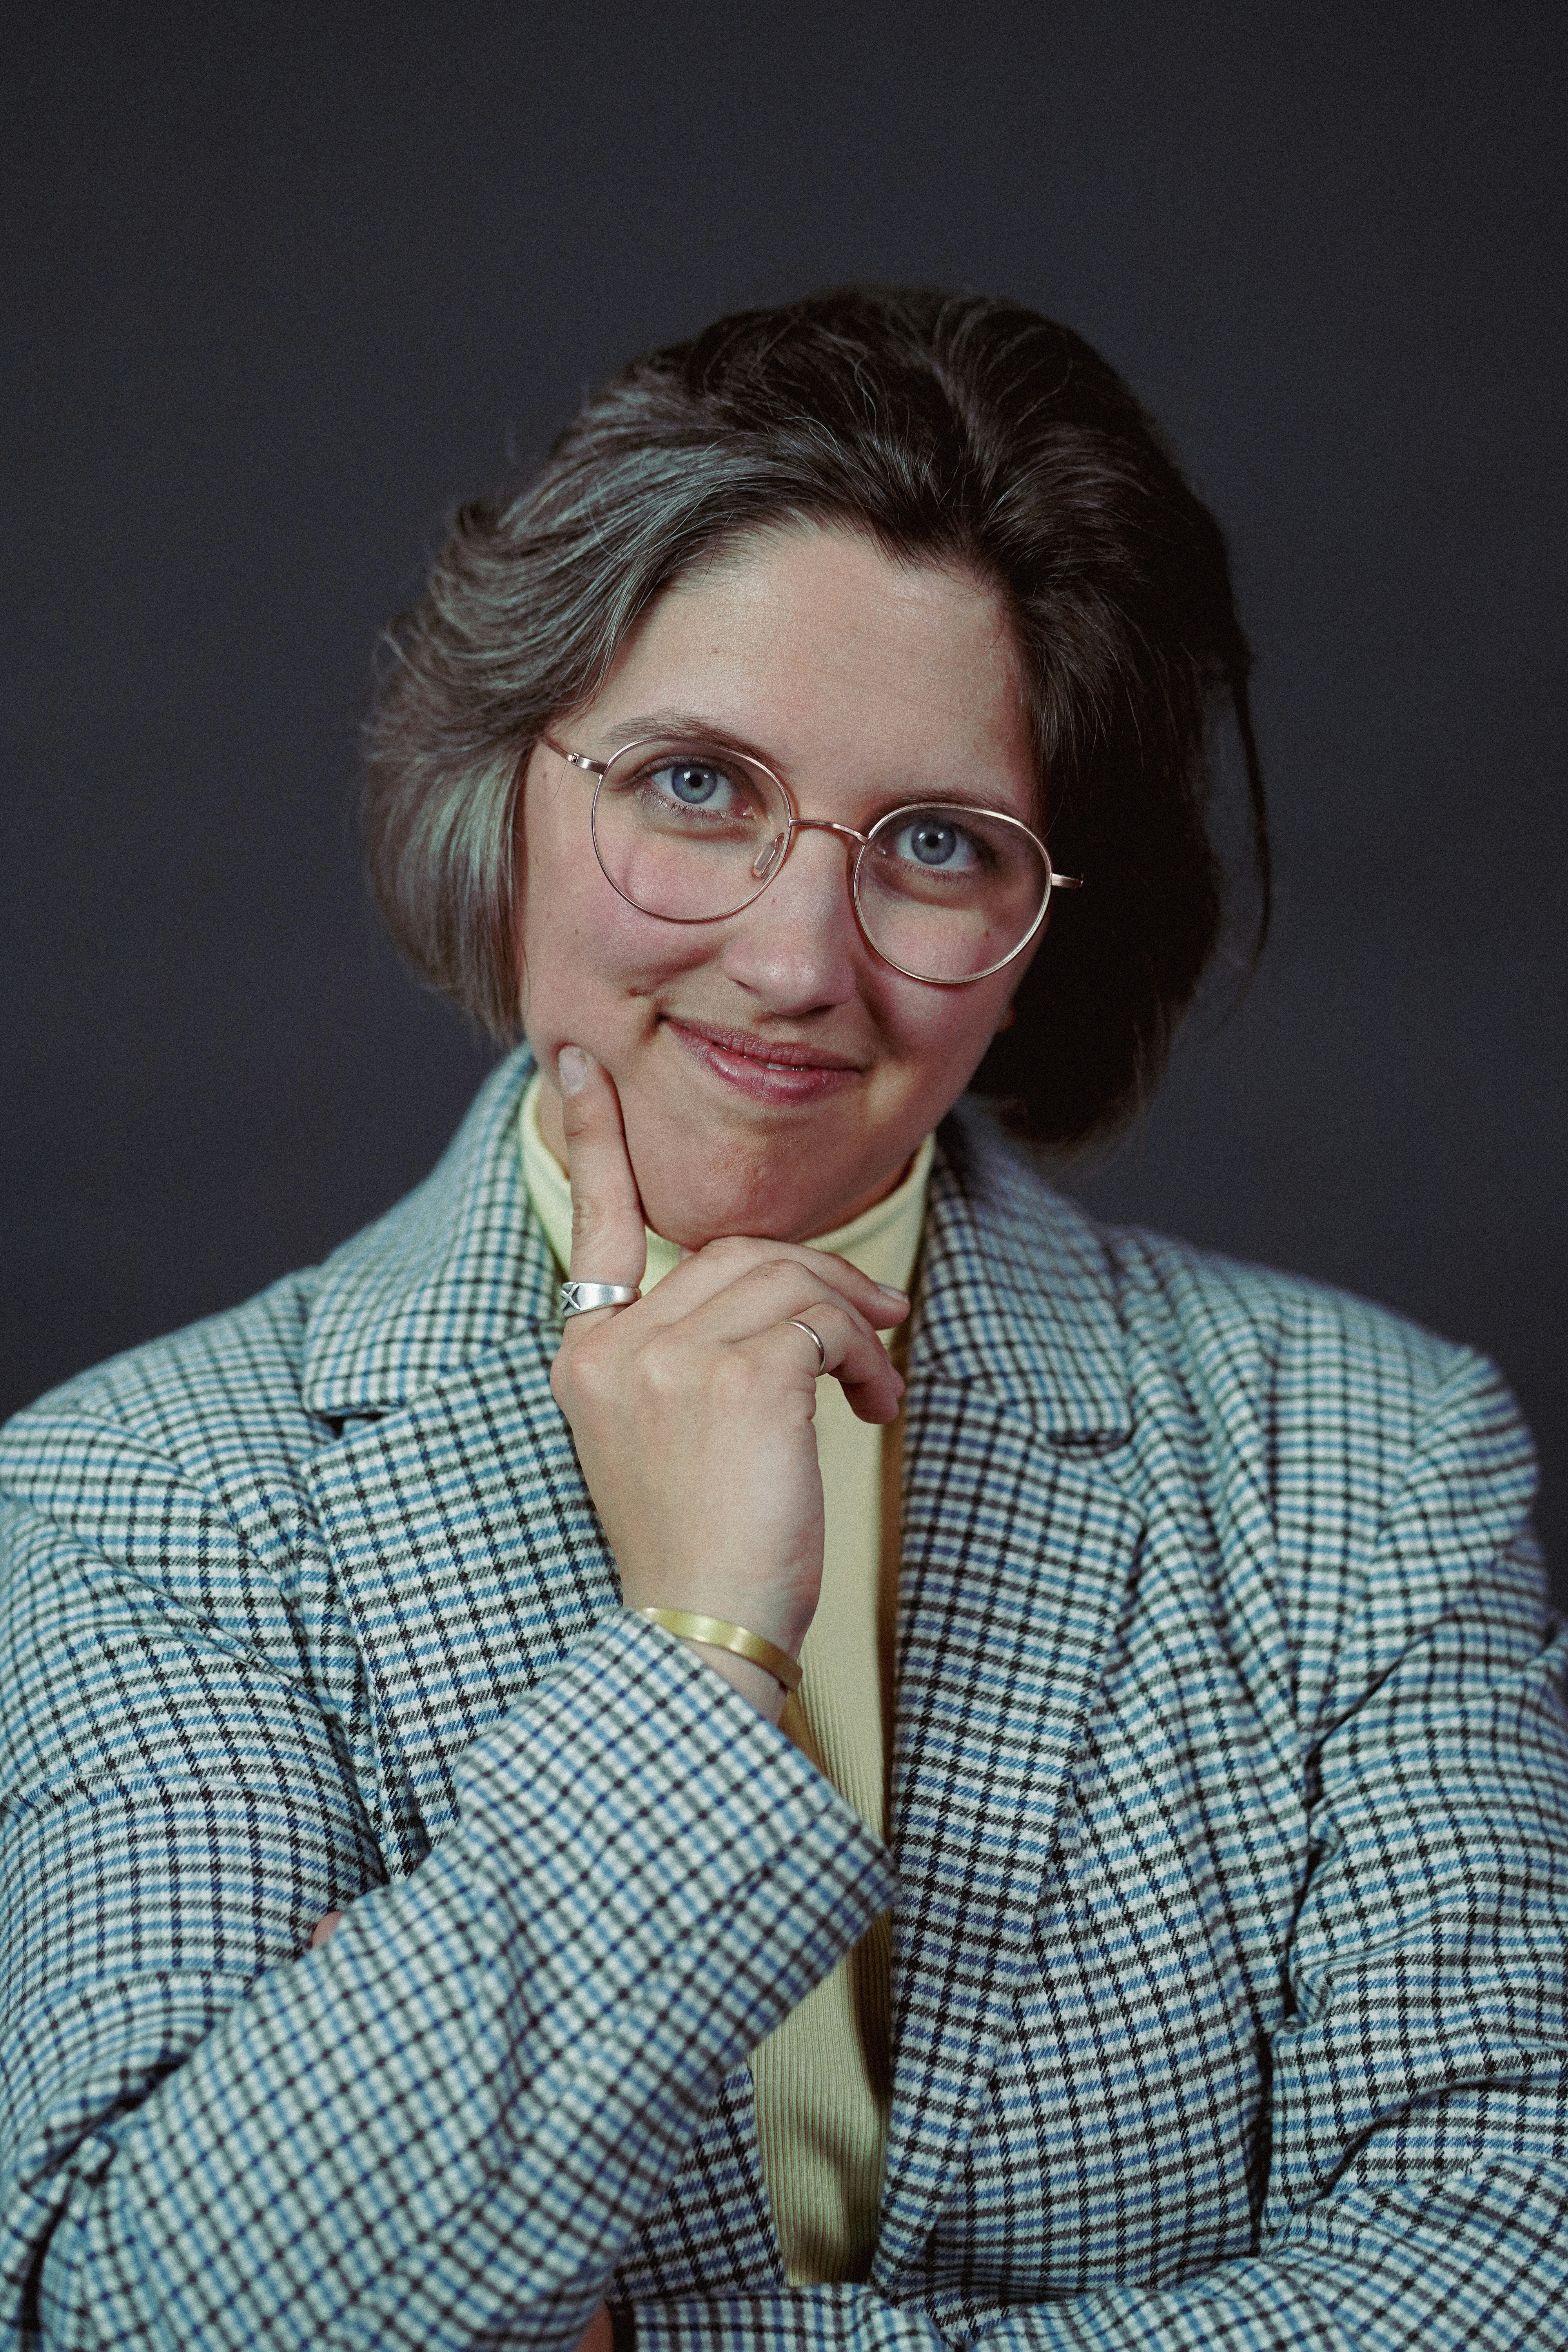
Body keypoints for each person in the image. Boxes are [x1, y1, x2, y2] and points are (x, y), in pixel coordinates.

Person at [0, 286, 1563, 2352]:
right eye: (696, 788)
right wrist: (702, 1651)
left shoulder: (1375, 1461)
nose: (798, 959)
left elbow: (1501, 2263)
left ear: (1044, 930)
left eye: (937, 843)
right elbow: (125, 2317)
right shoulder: (134, 1504)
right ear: (513, 789)